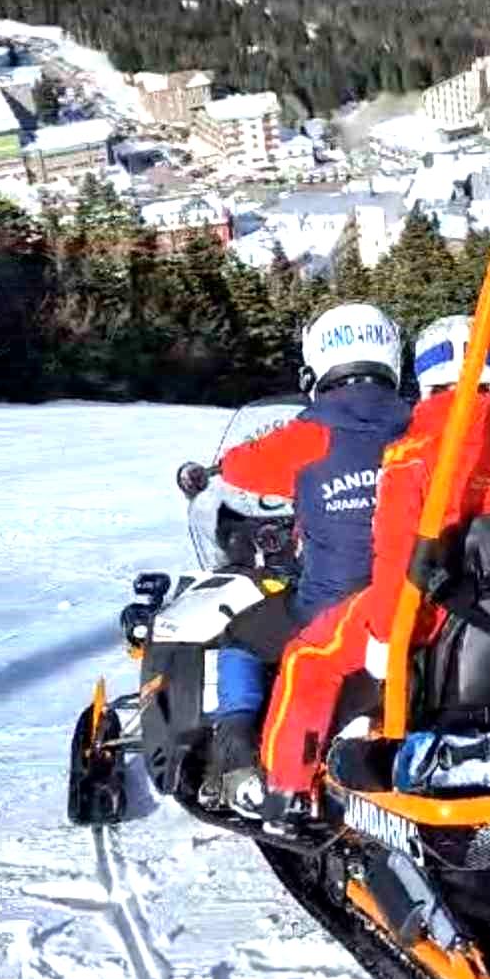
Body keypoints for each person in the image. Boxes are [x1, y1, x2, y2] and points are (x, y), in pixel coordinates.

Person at [260, 313, 490, 808]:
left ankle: (286, 790)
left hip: (442, 612)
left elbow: (396, 556)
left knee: (307, 658)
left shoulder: (414, 450)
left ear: (424, 380)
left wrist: (386, 636)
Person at [179, 302, 410, 815]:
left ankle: (236, 751)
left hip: (332, 609)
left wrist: (216, 469)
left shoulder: (309, 433)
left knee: (241, 634)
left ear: (319, 360)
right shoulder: (419, 426)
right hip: (412, 609)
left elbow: (242, 468)